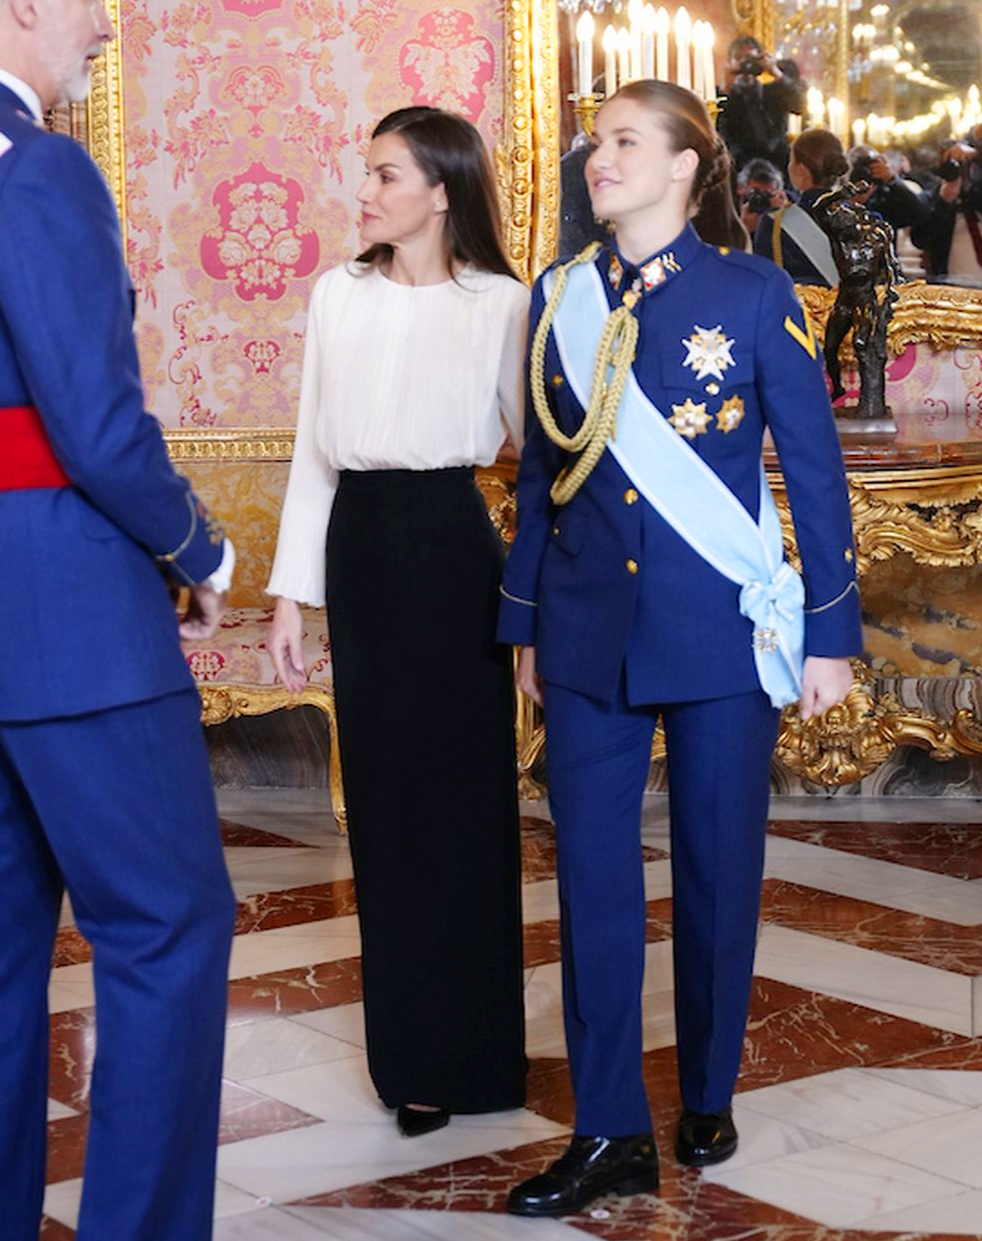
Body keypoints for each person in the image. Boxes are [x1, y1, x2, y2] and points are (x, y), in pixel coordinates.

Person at [498, 79, 861, 1218]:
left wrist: (831, 636)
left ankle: (707, 1089)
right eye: (593, 141)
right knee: (591, 884)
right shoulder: (558, 295)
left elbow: (813, 472)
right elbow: (543, 478)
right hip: (586, 633)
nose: (596, 158)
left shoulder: (755, 297)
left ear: (683, 168)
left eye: (622, 142)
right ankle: (607, 1129)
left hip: (720, 631)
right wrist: (523, 621)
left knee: (716, 873)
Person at [0, 0, 237, 1240]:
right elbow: (92, 421)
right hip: (66, 613)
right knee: (169, 930)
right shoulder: (36, 169)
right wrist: (199, 547)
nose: (101, 14)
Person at [267, 105, 529, 1135]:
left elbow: (538, 455)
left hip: (459, 553)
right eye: (366, 174)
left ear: (440, 191)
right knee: (386, 810)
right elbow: (311, 457)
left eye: (384, 176)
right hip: (364, 555)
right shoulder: (337, 294)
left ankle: (482, 1057)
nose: (364, 193)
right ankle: (412, 1062)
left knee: (469, 807)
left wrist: (542, 602)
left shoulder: (505, 303)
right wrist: (293, 594)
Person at [753, 126, 848, 285]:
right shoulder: (865, 220)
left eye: (791, 160)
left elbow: (765, 284)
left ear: (801, 170)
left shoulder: (775, 225)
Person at [716, 34, 805, 173]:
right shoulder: (721, 96)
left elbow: (800, 106)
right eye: (739, 58)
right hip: (737, 166)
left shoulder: (774, 91)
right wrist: (725, 89)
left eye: (750, 58)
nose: (745, 64)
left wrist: (776, 72)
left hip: (777, 165)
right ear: (730, 62)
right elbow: (715, 124)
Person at [911, 137, 982, 282]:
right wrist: (944, 202)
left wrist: (977, 154)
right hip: (950, 284)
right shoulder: (933, 195)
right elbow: (919, 239)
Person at [737, 156, 787, 242]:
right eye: (755, 192)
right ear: (741, 189)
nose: (760, 198)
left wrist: (786, 214)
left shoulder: (787, 208)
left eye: (767, 194)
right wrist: (743, 229)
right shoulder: (727, 210)